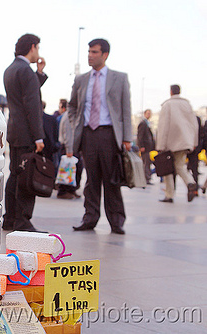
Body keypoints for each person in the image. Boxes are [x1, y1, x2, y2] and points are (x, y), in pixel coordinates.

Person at [68, 38, 132, 235]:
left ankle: (116, 221)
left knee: (112, 180)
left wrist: (127, 137)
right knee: (91, 180)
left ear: (105, 55)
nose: (90, 55)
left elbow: (125, 109)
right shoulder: (81, 79)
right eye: (89, 51)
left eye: (94, 52)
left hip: (109, 134)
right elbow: (72, 105)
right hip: (88, 134)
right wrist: (75, 122)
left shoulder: (119, 78)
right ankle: (90, 218)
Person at [3, 33, 47, 232]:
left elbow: (23, 96)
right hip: (27, 134)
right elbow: (32, 105)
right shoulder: (25, 71)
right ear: (32, 47)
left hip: (14, 131)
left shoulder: (11, 69)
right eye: (38, 48)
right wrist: (39, 137)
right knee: (26, 177)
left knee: (15, 174)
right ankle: (23, 221)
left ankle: (10, 218)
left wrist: (39, 74)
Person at [156, 84, 198, 203]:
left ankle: (169, 195)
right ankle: (190, 183)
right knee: (180, 166)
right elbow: (194, 125)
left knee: (167, 169)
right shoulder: (187, 105)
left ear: (170, 92)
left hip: (170, 142)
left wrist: (161, 145)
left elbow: (164, 126)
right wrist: (193, 142)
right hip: (185, 142)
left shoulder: (167, 105)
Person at [57, 108, 82, 199]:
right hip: (69, 147)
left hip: (72, 147)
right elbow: (68, 134)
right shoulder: (69, 116)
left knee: (74, 169)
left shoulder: (71, 115)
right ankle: (63, 191)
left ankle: (71, 189)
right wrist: (69, 149)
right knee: (67, 169)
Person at [136, 109, 155, 184]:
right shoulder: (143, 123)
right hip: (145, 147)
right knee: (146, 162)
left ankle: (147, 177)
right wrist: (141, 146)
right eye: (147, 113)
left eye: (150, 113)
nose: (149, 114)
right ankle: (145, 178)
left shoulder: (147, 123)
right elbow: (140, 136)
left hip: (148, 147)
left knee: (147, 162)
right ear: (144, 114)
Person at [186, 115, 203, 188]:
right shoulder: (196, 119)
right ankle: (194, 186)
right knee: (194, 168)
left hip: (185, 146)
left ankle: (192, 185)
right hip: (194, 147)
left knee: (179, 167)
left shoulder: (185, 118)